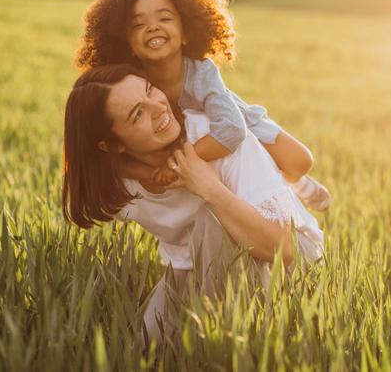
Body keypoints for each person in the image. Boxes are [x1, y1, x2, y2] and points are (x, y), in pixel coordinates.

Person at [62, 64, 324, 343]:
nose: (158, 107)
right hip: (193, 271)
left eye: (150, 90)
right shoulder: (120, 184)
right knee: (146, 346)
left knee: (207, 221)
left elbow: (284, 249)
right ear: (113, 146)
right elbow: (87, 167)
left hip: (291, 263)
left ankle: (213, 340)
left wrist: (207, 186)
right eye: (138, 114)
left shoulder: (218, 136)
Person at [75, 0, 331, 211]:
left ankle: (295, 184)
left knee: (300, 161)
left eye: (164, 19)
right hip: (187, 139)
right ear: (127, 44)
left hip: (241, 122)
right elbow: (111, 156)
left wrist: (175, 163)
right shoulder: (132, 84)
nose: (152, 27)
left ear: (186, 33)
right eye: (139, 24)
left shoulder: (202, 72)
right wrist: (149, 171)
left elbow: (231, 129)